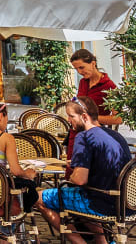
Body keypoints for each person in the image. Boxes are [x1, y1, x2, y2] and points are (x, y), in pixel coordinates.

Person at [37, 96, 131, 244]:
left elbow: (80, 180)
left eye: (71, 116)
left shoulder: (84, 136)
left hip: (100, 203)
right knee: (77, 196)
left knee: (38, 198)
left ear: (84, 116)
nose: (68, 120)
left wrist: (74, 171)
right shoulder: (117, 136)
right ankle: (102, 241)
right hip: (125, 204)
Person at [66, 49, 121, 159]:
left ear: (93, 64)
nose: (79, 72)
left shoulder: (110, 87)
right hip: (75, 133)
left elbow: (118, 119)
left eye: (81, 67)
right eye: (76, 69)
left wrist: (91, 118)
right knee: (71, 168)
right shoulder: (83, 82)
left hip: (93, 136)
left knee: (85, 171)